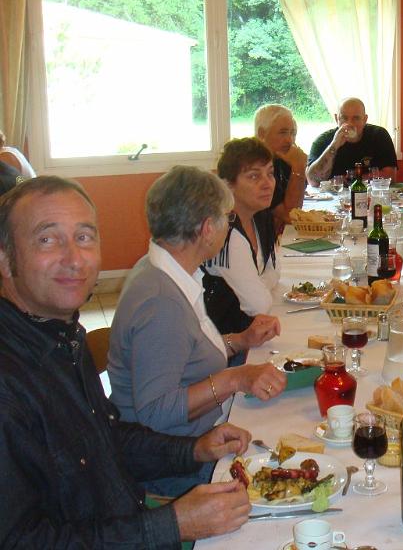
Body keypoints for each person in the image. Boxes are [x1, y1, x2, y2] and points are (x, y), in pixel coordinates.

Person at [0, 176, 254, 546]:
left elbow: (104, 438)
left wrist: (193, 450)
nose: (74, 258)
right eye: (47, 239)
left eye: (84, 237)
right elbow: (20, 541)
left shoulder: (61, 336)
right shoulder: (10, 379)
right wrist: (173, 525)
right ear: (5, 259)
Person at [108, 166, 285, 497]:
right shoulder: (160, 301)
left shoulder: (167, 270)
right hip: (174, 463)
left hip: (197, 435)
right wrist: (235, 379)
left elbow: (186, 352)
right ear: (207, 229)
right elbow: (156, 413)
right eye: (227, 218)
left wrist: (240, 341)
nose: (229, 225)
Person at [203, 137, 282, 340]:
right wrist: (258, 287)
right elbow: (259, 305)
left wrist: (257, 284)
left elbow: (275, 271)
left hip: (246, 329)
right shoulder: (227, 234)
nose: (267, 184)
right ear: (228, 185)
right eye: (254, 176)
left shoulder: (260, 216)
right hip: (222, 342)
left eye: (270, 173)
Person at [306, 97, 397, 185]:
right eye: (344, 118)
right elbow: (313, 181)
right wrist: (334, 145)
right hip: (334, 194)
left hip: (370, 193)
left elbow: (391, 176)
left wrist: (351, 180)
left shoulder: (379, 135)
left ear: (365, 119)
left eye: (356, 118)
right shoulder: (323, 140)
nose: (350, 123)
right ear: (336, 119)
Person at [254, 104, 307, 229]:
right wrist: (299, 168)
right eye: (283, 133)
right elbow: (290, 216)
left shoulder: (282, 159)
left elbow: (295, 210)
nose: (290, 140)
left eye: (292, 133)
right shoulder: (255, 167)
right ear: (262, 133)